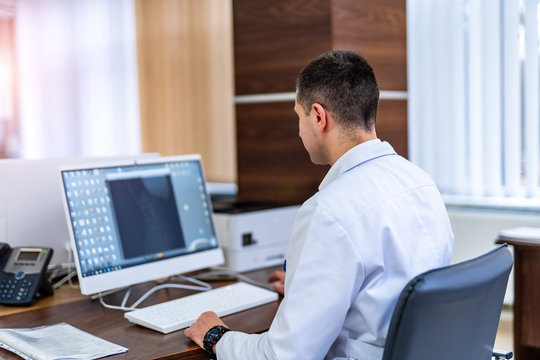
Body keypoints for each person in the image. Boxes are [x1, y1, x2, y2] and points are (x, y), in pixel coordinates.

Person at [185, 49, 454, 360]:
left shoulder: (328, 211)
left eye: (299, 117)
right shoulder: (419, 180)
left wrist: (217, 336)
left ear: (318, 116)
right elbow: (396, 280)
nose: (300, 129)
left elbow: (284, 356)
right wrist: (310, 287)